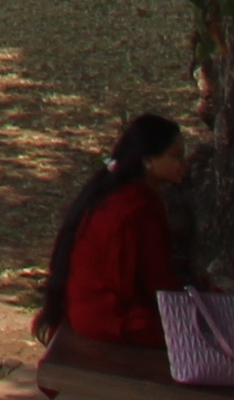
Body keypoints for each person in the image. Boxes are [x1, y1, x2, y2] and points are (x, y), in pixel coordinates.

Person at [42, 111, 190, 344]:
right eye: (176, 157)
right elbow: (158, 286)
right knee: (207, 330)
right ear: (149, 161)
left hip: (87, 310)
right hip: (110, 319)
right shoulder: (138, 208)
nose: (184, 164)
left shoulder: (114, 192)